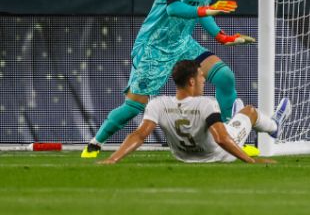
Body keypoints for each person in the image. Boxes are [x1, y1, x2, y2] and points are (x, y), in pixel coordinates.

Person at [81, 0, 255, 159]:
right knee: (134, 107)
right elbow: (174, 8)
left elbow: (201, 14)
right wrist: (207, 9)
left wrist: (222, 37)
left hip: (183, 42)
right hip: (155, 45)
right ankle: (94, 143)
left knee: (225, 78)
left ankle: (228, 138)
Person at [97, 59, 287, 165]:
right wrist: (251, 161)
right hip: (219, 155)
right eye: (201, 77)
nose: (204, 80)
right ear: (191, 81)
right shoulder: (208, 104)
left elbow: (139, 135)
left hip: (184, 157)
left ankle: (235, 120)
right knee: (250, 111)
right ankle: (275, 126)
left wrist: (113, 159)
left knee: (231, 123)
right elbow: (221, 139)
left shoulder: (157, 104)